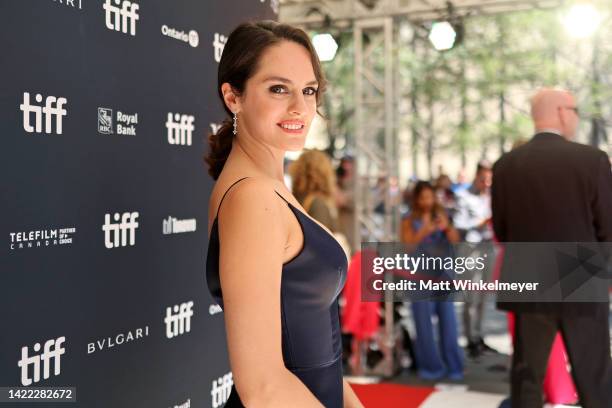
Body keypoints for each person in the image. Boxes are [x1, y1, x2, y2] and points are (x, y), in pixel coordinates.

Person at [204, 21, 363, 408]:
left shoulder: (267, 187)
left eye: (308, 91)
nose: (300, 107)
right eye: (279, 89)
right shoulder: (252, 198)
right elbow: (261, 387)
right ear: (234, 97)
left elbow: (321, 357)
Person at [492, 88, 612, 407]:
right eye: (574, 110)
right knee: (594, 378)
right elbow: (608, 228)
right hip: (583, 276)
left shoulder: (506, 165)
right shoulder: (592, 160)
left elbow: (502, 230)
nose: (575, 117)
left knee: (527, 379)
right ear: (561, 112)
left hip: (530, 278)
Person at [401, 181, 464, 381]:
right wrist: (424, 231)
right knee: (423, 323)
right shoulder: (408, 219)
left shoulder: (443, 215)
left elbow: (456, 242)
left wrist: (446, 228)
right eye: (423, 197)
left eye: (430, 197)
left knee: (449, 321)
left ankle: (454, 366)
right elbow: (407, 247)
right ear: (417, 199)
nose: (427, 201)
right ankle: (430, 366)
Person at [453, 160, 498, 358]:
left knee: (483, 297)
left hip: (489, 247)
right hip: (470, 249)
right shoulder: (463, 196)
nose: (486, 183)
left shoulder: (492, 196)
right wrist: (481, 222)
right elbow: (459, 224)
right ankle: (469, 338)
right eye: (483, 179)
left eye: (489, 179)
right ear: (477, 175)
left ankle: (478, 336)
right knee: (470, 296)